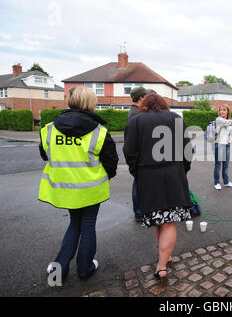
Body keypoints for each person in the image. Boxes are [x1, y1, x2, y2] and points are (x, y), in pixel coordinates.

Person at [38, 86, 119, 281]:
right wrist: (104, 175)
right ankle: (85, 269)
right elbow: (111, 162)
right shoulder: (99, 132)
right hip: (91, 190)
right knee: (88, 226)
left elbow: (44, 155)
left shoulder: (49, 129)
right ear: (91, 104)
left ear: (70, 101)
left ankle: (58, 271)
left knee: (74, 225)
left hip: (65, 189)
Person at [123, 93, 193, 285]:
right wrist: (181, 170)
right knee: (169, 221)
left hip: (148, 176)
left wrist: (138, 172)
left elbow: (129, 152)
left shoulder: (136, 121)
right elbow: (188, 150)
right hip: (173, 175)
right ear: (163, 104)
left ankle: (163, 260)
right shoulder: (176, 119)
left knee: (158, 218)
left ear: (143, 105)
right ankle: (163, 265)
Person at [128, 86, 152, 222]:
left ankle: (140, 211)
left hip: (139, 154)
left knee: (139, 183)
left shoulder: (136, 111)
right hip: (140, 155)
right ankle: (139, 213)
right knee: (138, 184)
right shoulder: (136, 114)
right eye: (146, 96)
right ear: (141, 98)